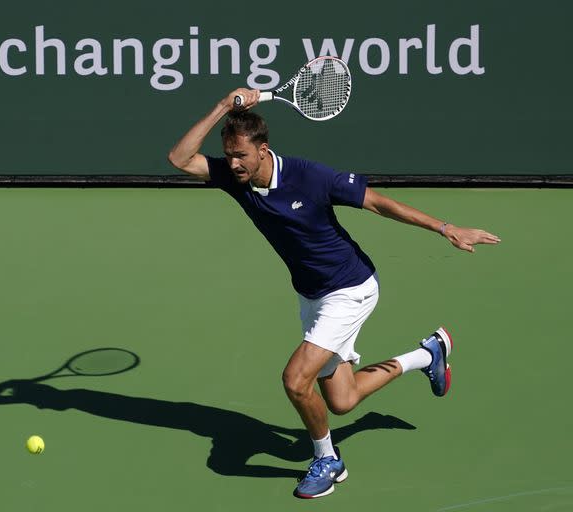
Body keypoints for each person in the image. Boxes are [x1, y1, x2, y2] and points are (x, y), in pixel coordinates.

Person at [167, 88, 501, 499]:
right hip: (312, 297)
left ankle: (328, 459)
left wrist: (447, 228)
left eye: (241, 156)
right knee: (342, 401)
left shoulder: (311, 176)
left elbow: (379, 204)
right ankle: (426, 354)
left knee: (295, 381)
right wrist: (222, 106)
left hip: (350, 289)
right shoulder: (236, 179)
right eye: (229, 155)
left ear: (263, 150)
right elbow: (179, 159)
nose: (233, 163)